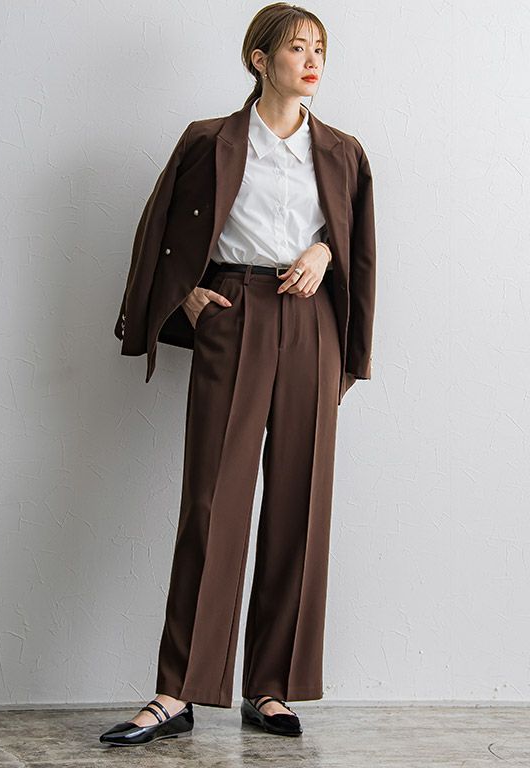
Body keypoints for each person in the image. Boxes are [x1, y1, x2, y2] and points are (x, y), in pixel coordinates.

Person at [101, 1, 376, 747]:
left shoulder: (342, 151)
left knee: (299, 501)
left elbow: (356, 240)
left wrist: (323, 252)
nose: (312, 61)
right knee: (212, 503)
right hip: (234, 311)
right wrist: (188, 293)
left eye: (319, 49)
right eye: (297, 48)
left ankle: (270, 686)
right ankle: (176, 692)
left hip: (313, 322)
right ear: (260, 59)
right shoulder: (210, 140)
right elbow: (160, 228)